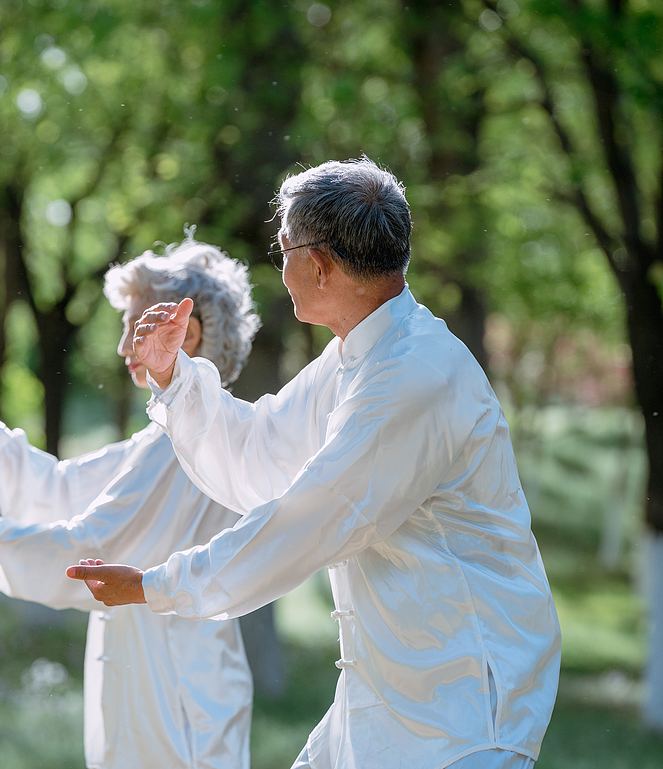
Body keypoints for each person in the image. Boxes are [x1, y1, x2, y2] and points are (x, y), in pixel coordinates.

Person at [67, 158, 562, 769]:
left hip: (462, 714)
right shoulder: (360, 355)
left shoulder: (416, 375)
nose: (282, 269)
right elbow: (261, 449)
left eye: (283, 251)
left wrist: (156, 585)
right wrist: (174, 377)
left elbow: (312, 517)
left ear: (320, 264)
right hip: (390, 699)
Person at [0, 237, 261, 769]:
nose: (121, 349)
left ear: (188, 332)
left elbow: (92, 543)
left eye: (134, 327)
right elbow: (65, 489)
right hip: (168, 677)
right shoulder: (173, 434)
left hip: (176, 690)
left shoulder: (187, 439)